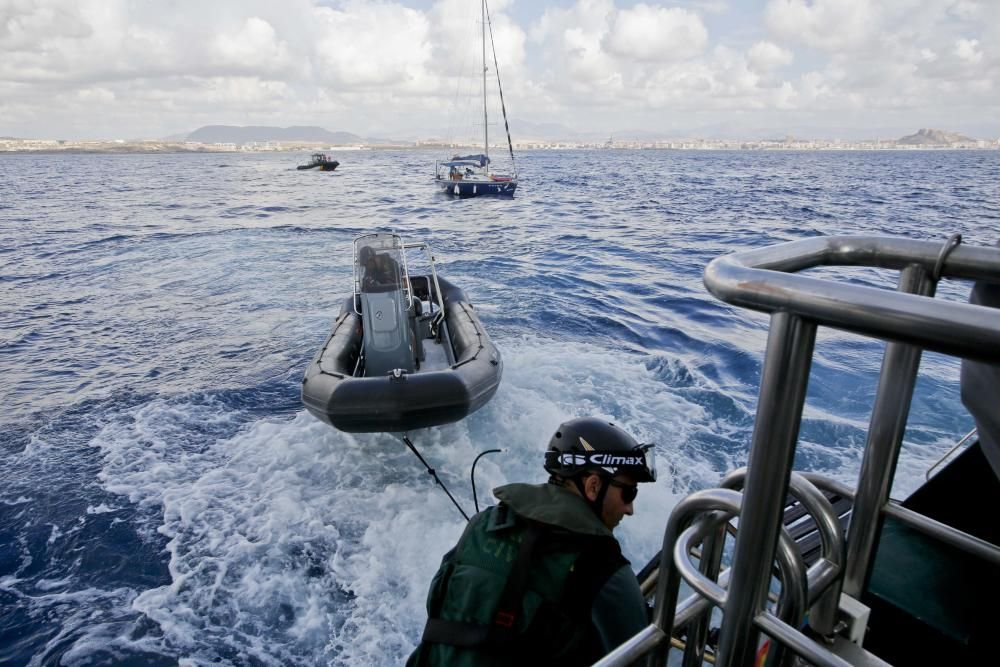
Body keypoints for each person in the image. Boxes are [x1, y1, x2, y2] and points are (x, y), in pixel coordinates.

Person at [407, 417, 656, 666]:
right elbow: (641, 656)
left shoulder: (484, 523)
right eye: (628, 492)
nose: (629, 508)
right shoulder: (603, 566)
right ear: (593, 486)